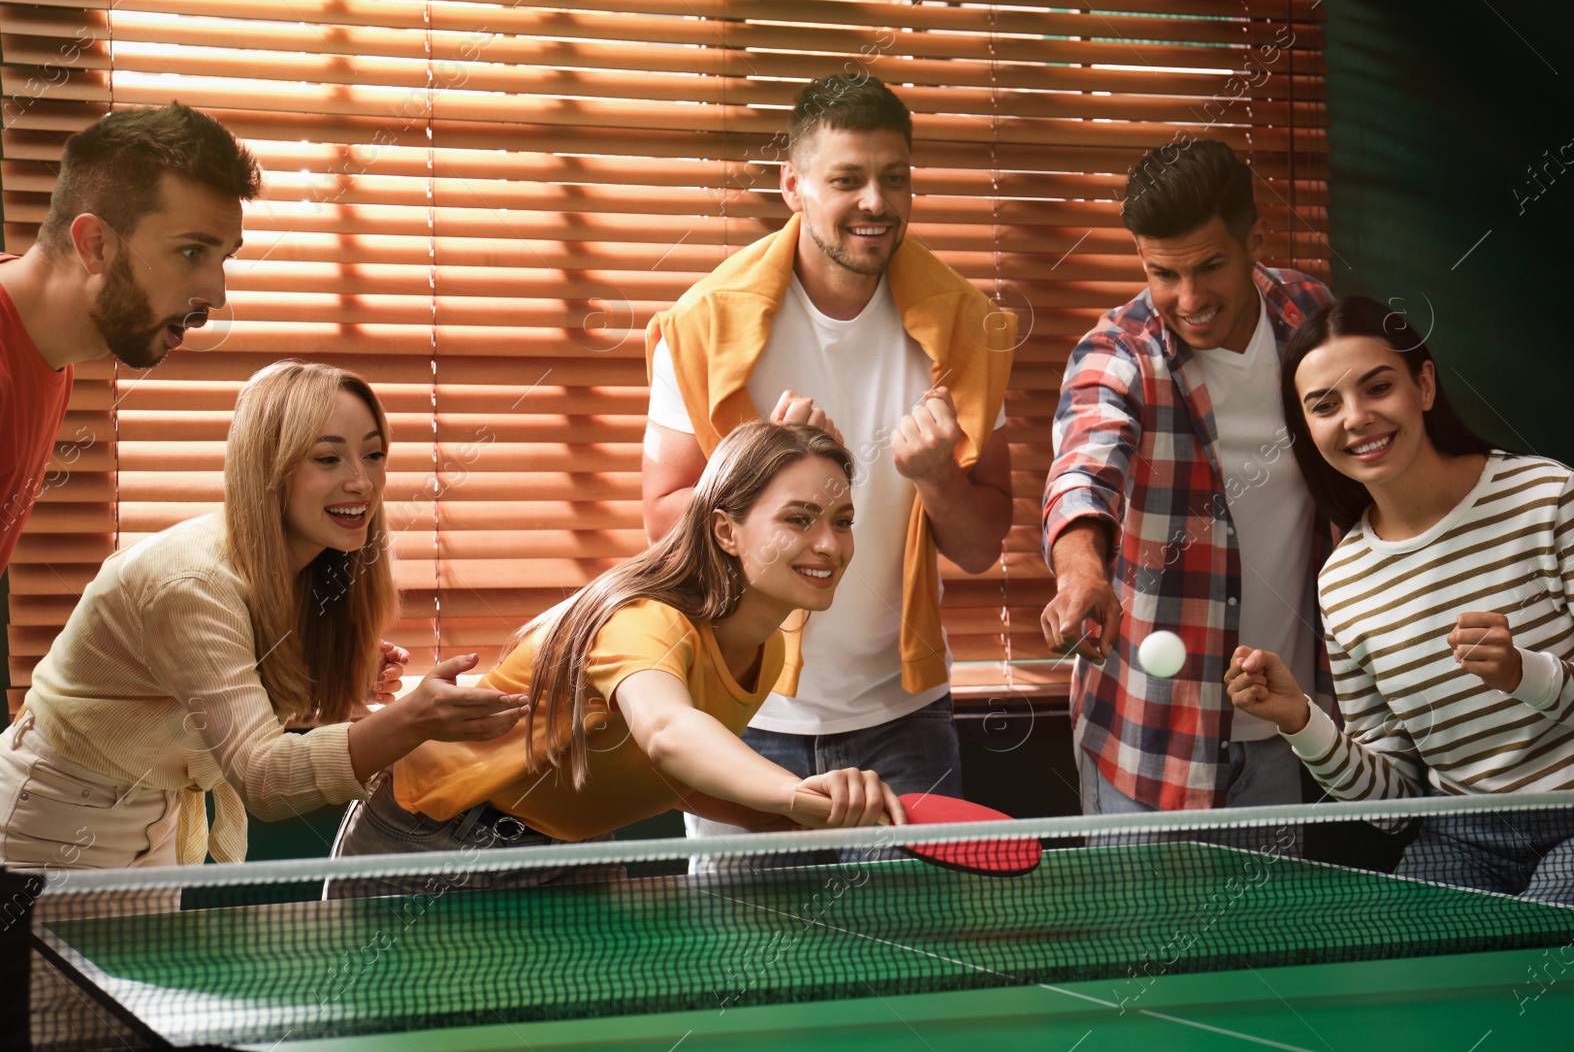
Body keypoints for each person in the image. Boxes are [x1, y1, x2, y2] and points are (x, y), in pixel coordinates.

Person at [641, 75, 1014, 857]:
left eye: (895, 176)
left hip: (905, 718)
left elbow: (981, 545)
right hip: (742, 715)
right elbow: (660, 517)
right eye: (847, 178)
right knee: (746, 969)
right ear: (795, 187)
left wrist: (940, 478)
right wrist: (758, 477)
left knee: (922, 967)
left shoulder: (970, 327)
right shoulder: (704, 320)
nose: (875, 201)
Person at [329, 421, 905, 889]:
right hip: (434, 842)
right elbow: (667, 733)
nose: (829, 544)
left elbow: (664, 773)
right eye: (798, 519)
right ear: (726, 532)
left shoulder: (767, 648)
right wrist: (793, 791)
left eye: (843, 521)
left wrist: (796, 815)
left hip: (568, 850)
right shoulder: (647, 620)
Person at [0, 361, 529, 869]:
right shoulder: (192, 584)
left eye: (373, 455)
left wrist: (322, 682)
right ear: (267, 468)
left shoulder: (303, 566)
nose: (362, 483)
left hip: (152, 814)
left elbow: (215, 702)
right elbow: (264, 778)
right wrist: (411, 720)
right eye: (328, 458)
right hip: (49, 816)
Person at [1226, 296, 1574, 907]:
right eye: (1325, 405)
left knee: (1535, 945)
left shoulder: (1554, 501)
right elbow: (1394, 806)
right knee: (1392, 959)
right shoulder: (1342, 582)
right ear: (1306, 429)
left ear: (1423, 385)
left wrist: (1522, 673)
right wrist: (1301, 722)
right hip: (1464, 839)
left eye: (1378, 388)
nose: (1356, 419)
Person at [1040, 138, 1337, 818]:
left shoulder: (1311, 316)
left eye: (1210, 267)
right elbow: (1084, 468)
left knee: (1273, 930)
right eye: (1163, 273)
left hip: (1286, 733)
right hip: (1147, 743)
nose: (1190, 297)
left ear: (1254, 240)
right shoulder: (1118, 351)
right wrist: (1081, 572)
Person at [1, 101, 259, 573]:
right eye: (190, 250)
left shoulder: (50, 353)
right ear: (95, 245)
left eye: (223, 257)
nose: (217, 296)